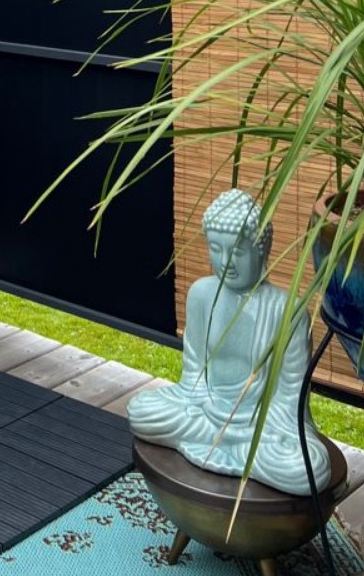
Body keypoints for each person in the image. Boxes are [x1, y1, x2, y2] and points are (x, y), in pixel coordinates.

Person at [127, 188, 330, 494]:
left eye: (237, 251)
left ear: (262, 249)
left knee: (309, 469)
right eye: (215, 249)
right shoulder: (201, 294)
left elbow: (290, 396)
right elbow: (193, 375)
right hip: (205, 413)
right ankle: (231, 452)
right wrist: (206, 404)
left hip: (261, 426)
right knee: (142, 410)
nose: (225, 262)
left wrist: (251, 425)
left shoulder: (287, 311)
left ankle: (227, 449)